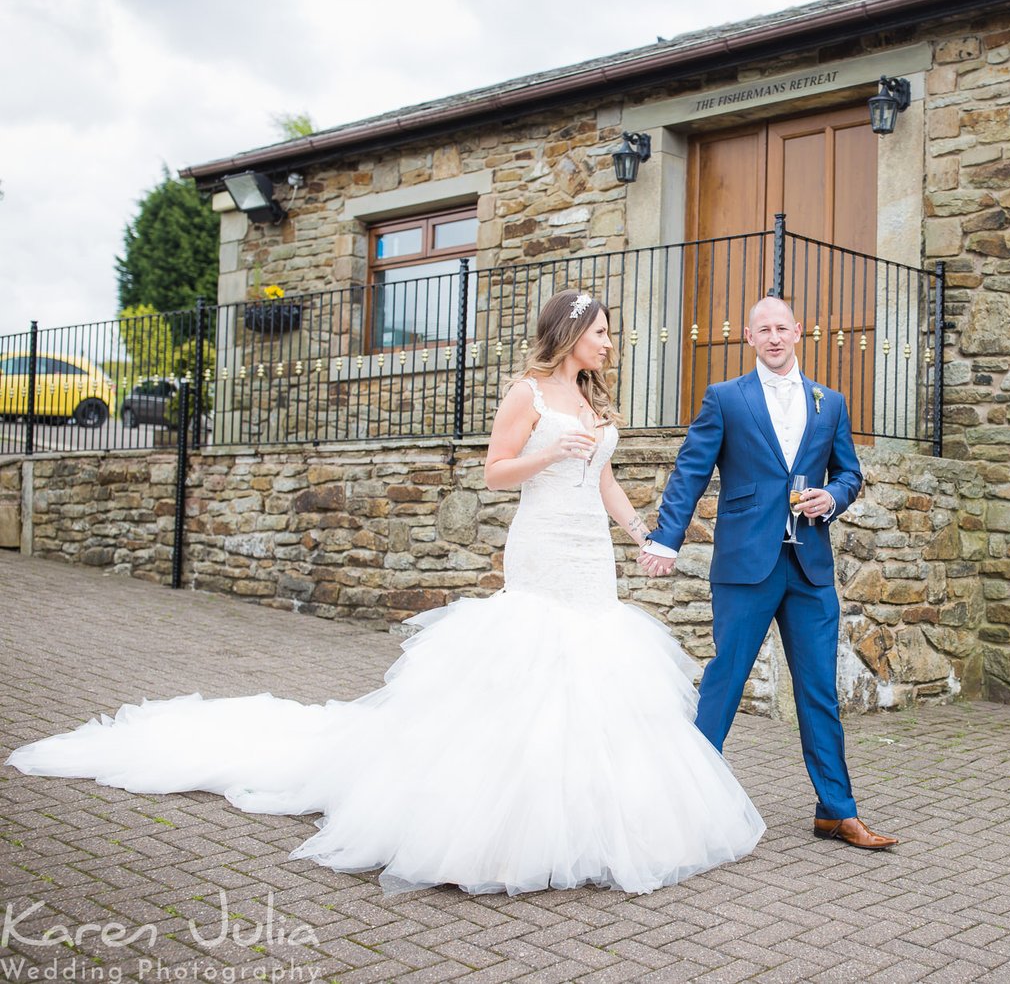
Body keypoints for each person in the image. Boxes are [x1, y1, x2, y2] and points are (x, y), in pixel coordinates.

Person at [5, 289, 765, 896]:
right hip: (539, 550)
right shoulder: (527, 392)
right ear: (569, 334)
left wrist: (642, 536)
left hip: (590, 558)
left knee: (595, 674)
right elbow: (493, 472)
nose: (608, 341)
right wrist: (544, 456)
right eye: (600, 331)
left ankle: (602, 824)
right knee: (531, 670)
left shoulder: (596, 406)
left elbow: (601, 477)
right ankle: (491, 829)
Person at [638, 295, 899, 850]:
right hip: (744, 566)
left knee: (818, 692)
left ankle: (836, 809)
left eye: (783, 328)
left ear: (799, 332)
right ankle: (683, 807)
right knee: (725, 683)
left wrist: (830, 496)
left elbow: (849, 473)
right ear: (749, 337)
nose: (775, 337)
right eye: (764, 330)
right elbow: (691, 469)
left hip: (808, 567)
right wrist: (666, 537)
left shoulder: (830, 402)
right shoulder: (726, 399)